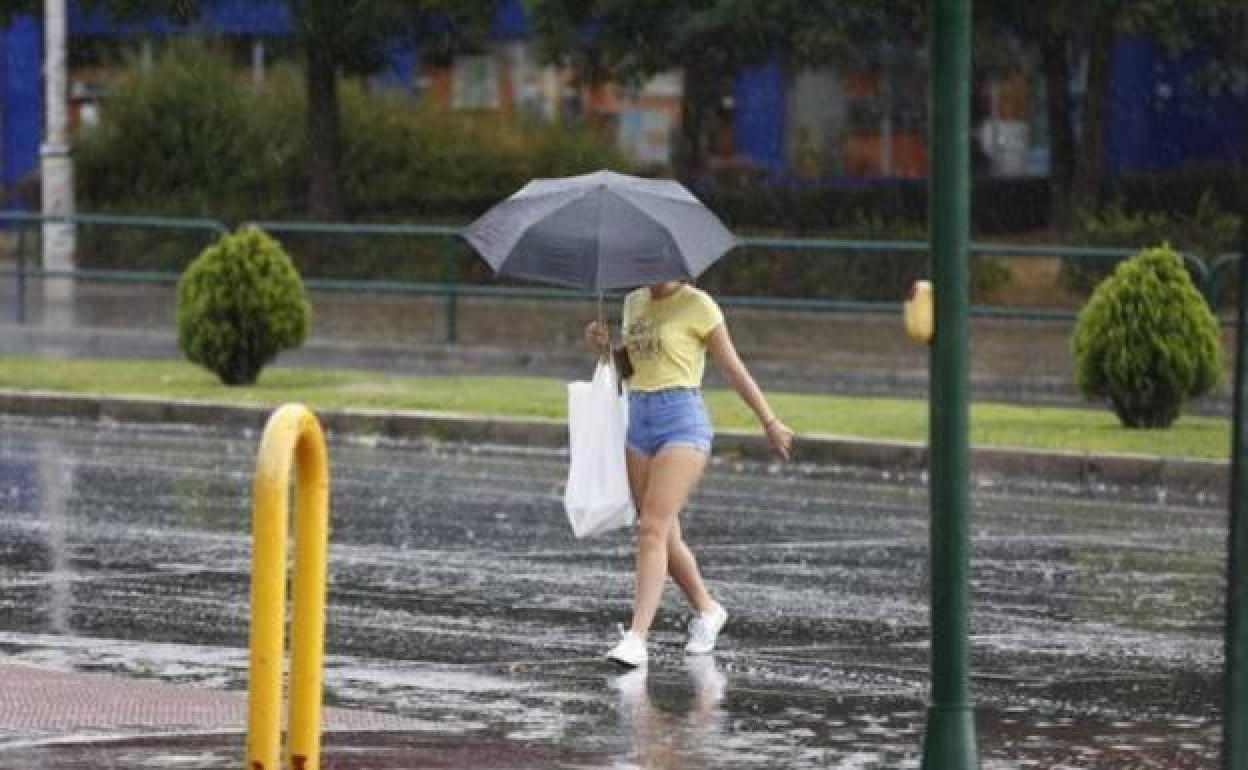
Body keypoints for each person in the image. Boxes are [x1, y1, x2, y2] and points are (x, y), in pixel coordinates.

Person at [585, 280, 794, 667]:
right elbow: (630, 367)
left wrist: (769, 420)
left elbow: (733, 366)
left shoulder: (699, 305)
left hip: (681, 420)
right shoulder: (634, 302)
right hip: (639, 420)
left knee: (651, 529)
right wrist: (606, 349)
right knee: (663, 534)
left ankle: (636, 637)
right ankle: (709, 609)